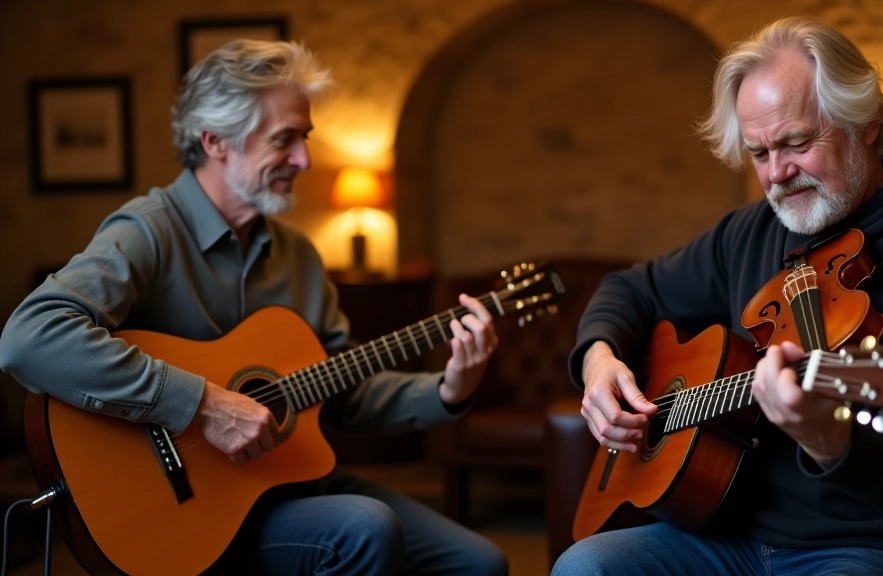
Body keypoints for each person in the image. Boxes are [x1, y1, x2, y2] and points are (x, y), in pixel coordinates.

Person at [0, 40, 508, 576]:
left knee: (480, 562)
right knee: (364, 527)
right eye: (285, 139)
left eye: (304, 138)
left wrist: (452, 388)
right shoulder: (147, 230)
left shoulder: (300, 256)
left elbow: (343, 392)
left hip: (286, 479)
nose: (305, 160)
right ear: (215, 141)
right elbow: (30, 337)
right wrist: (202, 405)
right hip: (189, 507)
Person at [554, 15, 883, 576]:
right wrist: (600, 360)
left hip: (880, 547)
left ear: (864, 122)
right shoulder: (748, 232)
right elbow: (628, 288)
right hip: (732, 537)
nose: (777, 174)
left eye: (796, 143)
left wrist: (834, 442)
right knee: (588, 566)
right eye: (759, 152)